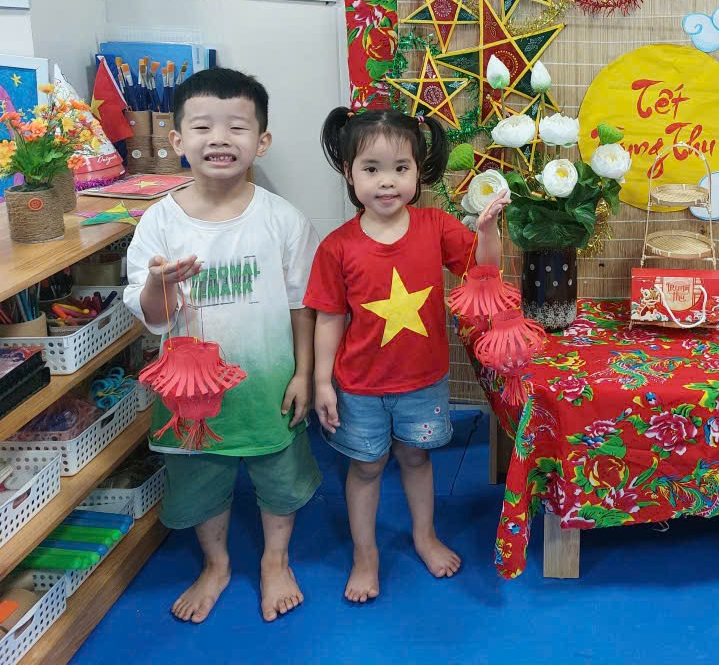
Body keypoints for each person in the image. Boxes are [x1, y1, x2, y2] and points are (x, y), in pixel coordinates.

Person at [124, 67, 320, 624]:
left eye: (237, 127)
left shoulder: (283, 219)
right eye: (203, 126)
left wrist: (304, 374)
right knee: (200, 479)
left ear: (262, 141)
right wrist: (160, 284)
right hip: (190, 399)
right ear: (176, 140)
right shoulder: (159, 223)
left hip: (268, 385)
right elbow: (153, 318)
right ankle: (216, 564)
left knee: (279, 475)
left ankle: (275, 559)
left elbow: (302, 305)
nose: (219, 139)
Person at [306, 107, 506, 602]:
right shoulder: (336, 247)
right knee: (366, 468)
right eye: (371, 168)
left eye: (401, 167)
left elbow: (484, 271)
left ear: (418, 171)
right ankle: (365, 555)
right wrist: (322, 381)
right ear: (349, 173)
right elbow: (328, 318)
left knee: (416, 459)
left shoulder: (436, 225)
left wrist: (487, 232)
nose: (387, 181)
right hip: (359, 387)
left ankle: (425, 536)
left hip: (423, 380)